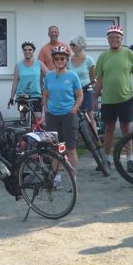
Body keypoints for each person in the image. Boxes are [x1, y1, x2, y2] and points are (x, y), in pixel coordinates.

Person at [94, 25, 133, 170]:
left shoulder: (129, 53)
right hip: (108, 99)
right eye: (111, 38)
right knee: (108, 129)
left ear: (121, 39)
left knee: (126, 128)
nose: (114, 40)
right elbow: (99, 79)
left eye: (117, 38)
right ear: (108, 40)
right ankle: (107, 158)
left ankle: (130, 158)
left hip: (126, 98)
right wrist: (95, 97)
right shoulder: (103, 56)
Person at [42, 46, 83, 183]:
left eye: (62, 58)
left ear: (66, 60)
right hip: (52, 116)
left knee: (70, 148)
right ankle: (57, 176)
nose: (59, 60)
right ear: (53, 60)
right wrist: (45, 108)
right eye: (56, 58)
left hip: (68, 115)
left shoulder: (72, 76)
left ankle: (73, 177)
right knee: (56, 148)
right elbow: (46, 94)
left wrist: (74, 109)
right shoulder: (49, 76)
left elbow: (79, 95)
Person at [8, 41, 47, 120]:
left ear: (33, 51)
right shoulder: (18, 65)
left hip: (36, 96)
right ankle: (25, 132)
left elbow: (50, 76)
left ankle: (35, 132)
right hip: (22, 97)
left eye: (30, 50)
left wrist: (45, 90)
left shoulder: (39, 64)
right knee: (22, 118)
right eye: (25, 50)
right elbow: (15, 82)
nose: (27, 52)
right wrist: (11, 97)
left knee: (38, 117)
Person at [68, 35, 97, 134]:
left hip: (86, 90)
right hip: (73, 91)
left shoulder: (89, 60)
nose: (71, 47)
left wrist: (93, 91)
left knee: (89, 115)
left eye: (73, 45)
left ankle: (95, 138)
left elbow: (93, 77)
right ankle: (78, 137)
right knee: (74, 115)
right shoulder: (68, 60)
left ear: (80, 45)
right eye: (70, 45)